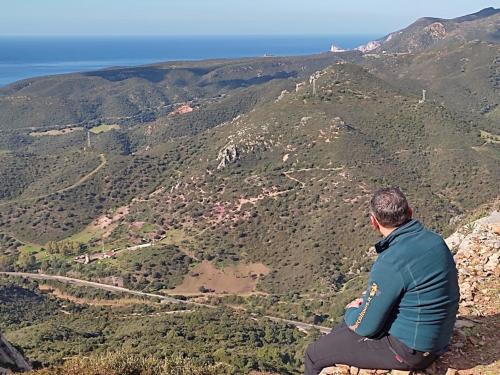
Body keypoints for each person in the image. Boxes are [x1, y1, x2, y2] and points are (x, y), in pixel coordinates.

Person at [304, 187, 460, 375]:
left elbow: (366, 327)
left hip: (411, 351)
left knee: (314, 354)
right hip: (436, 338)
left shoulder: (391, 261)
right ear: (410, 211)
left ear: (373, 222)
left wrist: (351, 310)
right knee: (343, 329)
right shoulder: (435, 240)